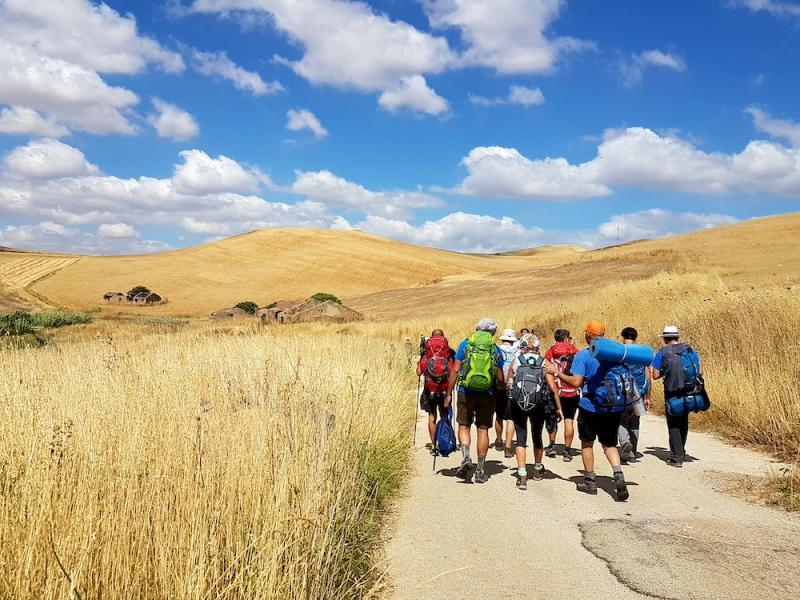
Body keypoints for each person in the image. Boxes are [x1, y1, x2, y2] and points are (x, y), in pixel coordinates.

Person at [545, 320, 630, 500]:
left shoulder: (584, 355)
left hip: (590, 406)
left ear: (587, 335)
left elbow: (576, 382)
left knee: (587, 443)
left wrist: (556, 372)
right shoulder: (615, 353)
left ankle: (590, 482)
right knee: (609, 444)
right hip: (612, 406)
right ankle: (618, 474)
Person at [445, 318, 505, 484]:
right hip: (488, 393)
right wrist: (501, 387)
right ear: (492, 333)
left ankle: (465, 457)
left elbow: (455, 370)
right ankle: (480, 470)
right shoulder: (495, 349)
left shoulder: (465, 345)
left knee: (464, 425)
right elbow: (500, 377)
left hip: (466, 391)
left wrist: (449, 394)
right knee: (483, 429)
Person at [507, 334, 561, 490]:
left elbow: (509, 384)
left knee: (521, 437)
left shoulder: (516, 361)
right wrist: (558, 408)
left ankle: (522, 474)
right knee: (537, 435)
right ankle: (537, 469)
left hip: (519, 405)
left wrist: (511, 403)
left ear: (522, 345)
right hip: (538, 405)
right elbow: (552, 387)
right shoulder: (544, 362)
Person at [651, 325, 702, 467]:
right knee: (683, 420)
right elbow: (700, 371)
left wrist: (666, 372)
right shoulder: (690, 350)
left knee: (673, 422)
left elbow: (655, 375)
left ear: (665, 339)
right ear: (677, 337)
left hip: (672, 391)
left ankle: (676, 457)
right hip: (689, 390)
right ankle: (681, 451)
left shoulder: (662, 352)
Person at [617, 327, 652, 463]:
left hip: (623, 393)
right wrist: (647, 397)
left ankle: (625, 442)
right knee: (635, 422)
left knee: (621, 420)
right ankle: (633, 452)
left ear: (622, 337)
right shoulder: (642, 353)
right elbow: (648, 377)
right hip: (639, 392)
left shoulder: (618, 352)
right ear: (635, 338)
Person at [545, 329, 580, 461]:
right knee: (569, 420)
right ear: (566, 339)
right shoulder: (575, 351)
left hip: (556, 390)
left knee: (553, 418)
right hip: (572, 391)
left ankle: (552, 445)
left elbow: (546, 368)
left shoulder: (551, 351)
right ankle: (567, 451)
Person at [416, 329, 453, 454]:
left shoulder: (427, 355)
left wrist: (419, 362)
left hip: (430, 390)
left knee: (432, 416)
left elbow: (419, 372)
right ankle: (444, 441)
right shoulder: (448, 355)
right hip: (444, 390)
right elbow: (454, 371)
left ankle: (433, 444)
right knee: (444, 415)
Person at [497, 328, 519, 457]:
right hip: (513, 386)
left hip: (499, 386)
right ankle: (508, 445)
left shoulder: (497, 350)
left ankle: (499, 440)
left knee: (499, 414)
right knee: (511, 417)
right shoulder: (518, 352)